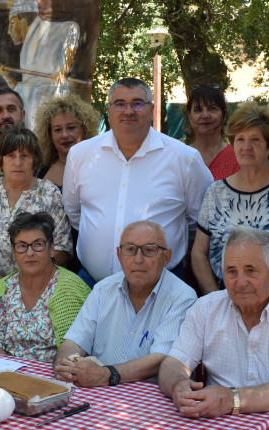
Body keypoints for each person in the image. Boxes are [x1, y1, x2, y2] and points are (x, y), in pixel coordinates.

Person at [159, 225, 269, 430]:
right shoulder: (205, 309)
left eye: (250, 270)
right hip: (221, 425)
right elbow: (173, 363)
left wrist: (229, 399)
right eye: (231, 271)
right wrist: (177, 385)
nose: (240, 282)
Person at [64, 77, 213, 286]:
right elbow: (75, 213)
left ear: (151, 109)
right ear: (109, 110)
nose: (128, 111)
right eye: (120, 104)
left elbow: (200, 222)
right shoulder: (80, 154)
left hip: (164, 287)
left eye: (137, 103)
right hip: (92, 285)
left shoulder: (185, 159)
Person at [54, 221, 196, 387]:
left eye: (149, 250)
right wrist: (66, 364)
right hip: (98, 393)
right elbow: (74, 341)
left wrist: (107, 374)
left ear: (166, 257)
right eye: (130, 249)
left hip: (151, 399)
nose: (138, 259)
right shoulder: (102, 289)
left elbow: (162, 359)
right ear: (119, 255)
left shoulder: (182, 297)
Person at [191, 101, 269, 296]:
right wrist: (215, 299)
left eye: (255, 140)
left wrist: (261, 299)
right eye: (240, 139)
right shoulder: (215, 192)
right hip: (223, 300)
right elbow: (198, 254)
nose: (246, 147)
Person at [0, 212, 90, 363]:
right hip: (7, 372)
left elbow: (76, 349)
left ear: (51, 249)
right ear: (14, 252)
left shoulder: (72, 288)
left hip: (56, 374)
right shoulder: (4, 287)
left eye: (38, 244)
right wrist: (8, 371)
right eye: (22, 246)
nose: (30, 253)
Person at [0, 128, 72, 284]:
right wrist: (0, 283)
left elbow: (63, 248)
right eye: (11, 156)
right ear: (1, 160)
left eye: (25, 156)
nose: (17, 162)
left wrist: (24, 283)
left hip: (37, 286)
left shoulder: (49, 192)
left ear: (35, 161)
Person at [2, 0, 81, 129]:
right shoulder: (26, 49)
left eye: (12, 23)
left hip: (52, 111)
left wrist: (63, 71)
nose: (9, 31)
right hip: (34, 119)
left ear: (23, 20)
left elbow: (72, 28)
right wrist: (5, 75)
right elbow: (25, 89)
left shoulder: (47, 31)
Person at [33, 93, 100, 189]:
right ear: (49, 135)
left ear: (85, 129)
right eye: (58, 130)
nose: (64, 135)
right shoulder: (39, 169)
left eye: (71, 128)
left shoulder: (97, 167)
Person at [184, 84, 239, 180]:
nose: (205, 115)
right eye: (198, 110)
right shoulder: (180, 156)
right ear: (189, 116)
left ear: (224, 115)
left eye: (212, 108)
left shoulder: (237, 157)